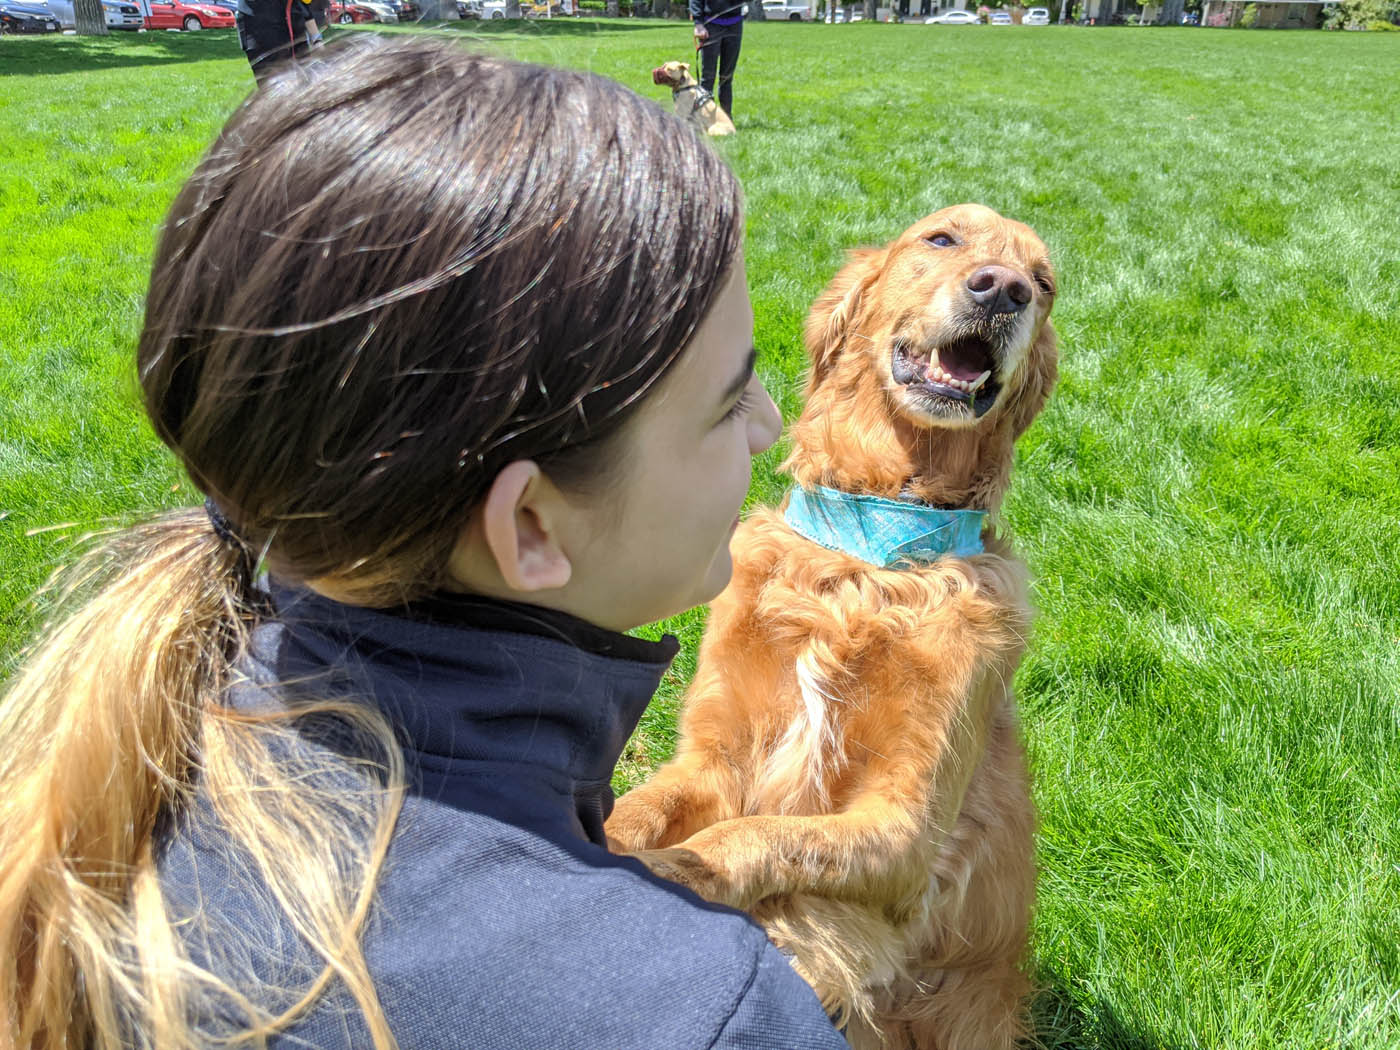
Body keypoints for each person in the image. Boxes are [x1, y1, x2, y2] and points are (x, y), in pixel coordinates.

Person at [0, 37, 850, 1050]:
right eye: (725, 402)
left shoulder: (103, 775)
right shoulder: (696, 1015)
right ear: (530, 526)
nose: (766, 424)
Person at [236, 0, 322, 83]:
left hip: (292, 23)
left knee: (305, 80)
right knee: (276, 83)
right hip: (260, 25)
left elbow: (303, 7)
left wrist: (316, 39)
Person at [691, 0, 746, 120]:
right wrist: (698, 24)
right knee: (708, 78)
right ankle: (706, 119)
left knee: (726, 78)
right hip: (711, 24)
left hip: (734, 25)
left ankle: (726, 119)